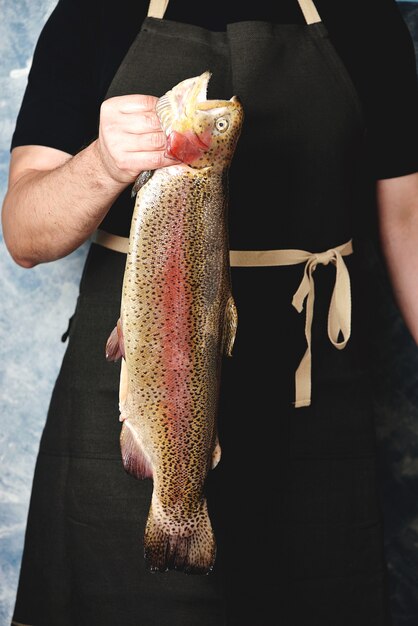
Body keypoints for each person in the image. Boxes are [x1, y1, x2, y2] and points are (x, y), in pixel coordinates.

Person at [2, 0, 418, 624]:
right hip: (131, 388)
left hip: (312, 402)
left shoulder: (366, 17)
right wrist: (106, 162)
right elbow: (25, 234)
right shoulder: (95, 13)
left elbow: (409, 224)